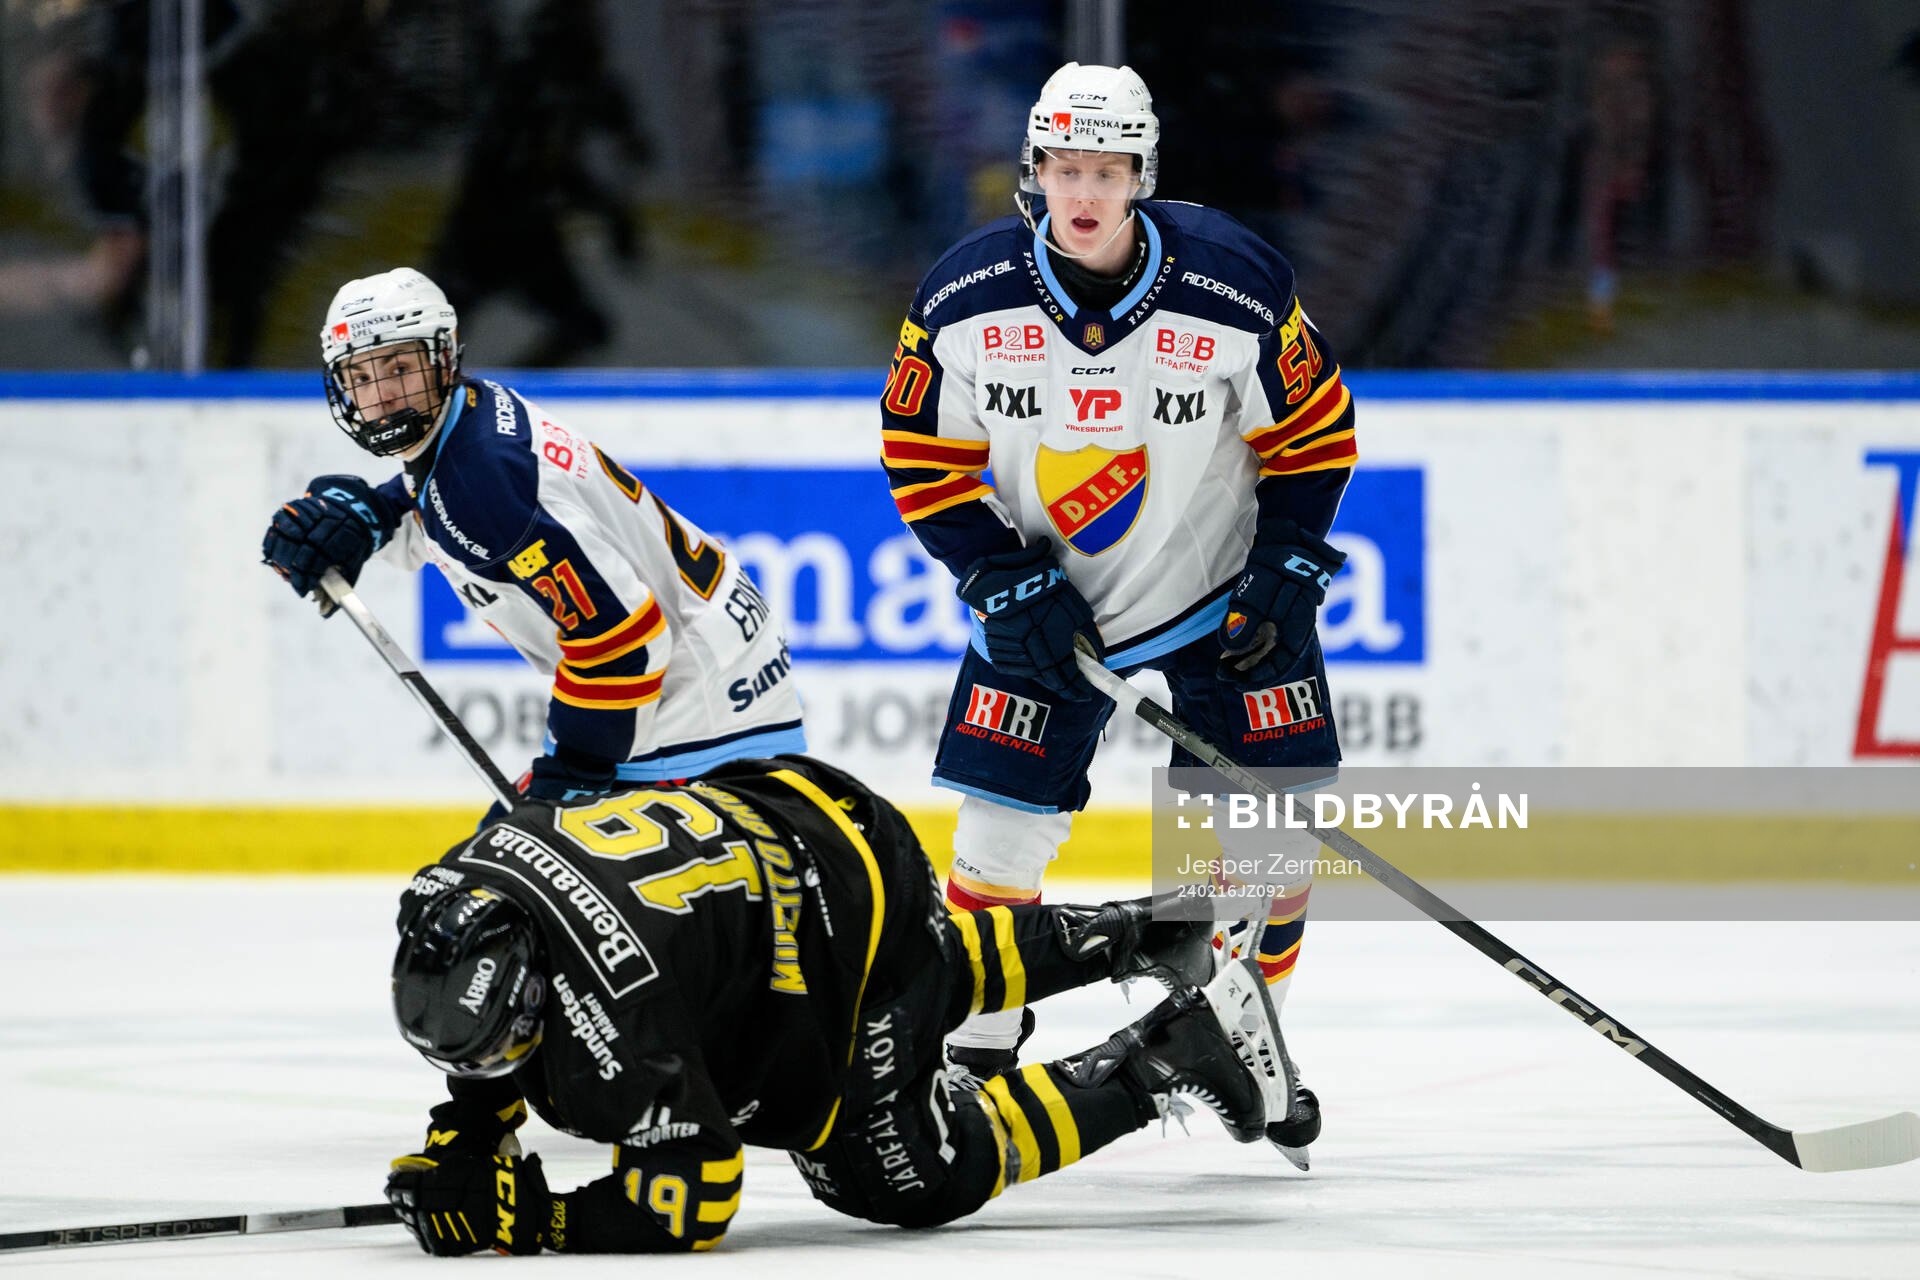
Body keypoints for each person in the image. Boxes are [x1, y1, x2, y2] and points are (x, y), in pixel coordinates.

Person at [878, 63, 1355, 1161]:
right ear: (1034, 172)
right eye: (1063, 168)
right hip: (1046, 606)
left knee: (1272, 837)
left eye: (1106, 170)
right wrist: (996, 574)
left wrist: (1288, 562)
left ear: (1141, 175)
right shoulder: (964, 299)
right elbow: (919, 452)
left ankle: (1242, 1031)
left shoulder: (1234, 282)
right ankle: (973, 1053)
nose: (1083, 191)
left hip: (1218, 597)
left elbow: (1315, 432)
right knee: (996, 839)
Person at [383, 753, 1296, 1255]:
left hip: (839, 922)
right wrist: (467, 1129)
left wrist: (529, 1218)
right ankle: (1147, 930)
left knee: (894, 1175)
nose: (500, 1064)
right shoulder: (467, 874)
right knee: (916, 963)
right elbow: (501, 1014)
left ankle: (1171, 1055)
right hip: (806, 808)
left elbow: (695, 1197)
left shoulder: (625, 1016)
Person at [261, 267, 803, 806]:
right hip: (710, 653)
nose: (380, 396)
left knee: (518, 855)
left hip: (698, 705)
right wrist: (372, 512)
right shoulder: (468, 413)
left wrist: (578, 768)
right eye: (359, 378)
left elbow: (623, 640)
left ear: (443, 357)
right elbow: (443, 501)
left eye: (399, 368)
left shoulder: (484, 479)